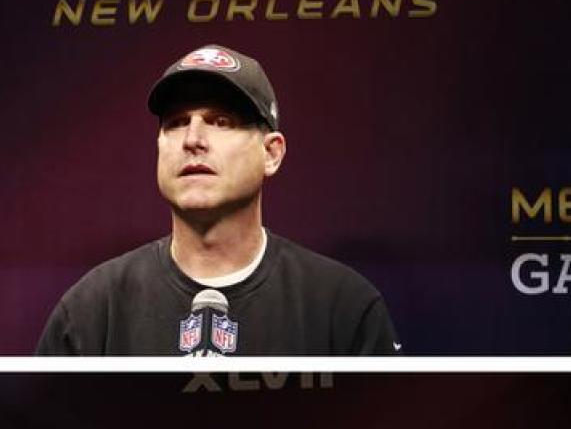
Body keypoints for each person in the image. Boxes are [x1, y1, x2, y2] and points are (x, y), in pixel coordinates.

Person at [36, 44, 402, 355]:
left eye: (221, 121)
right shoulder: (93, 311)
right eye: (176, 122)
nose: (193, 138)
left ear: (271, 153)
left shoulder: (343, 308)